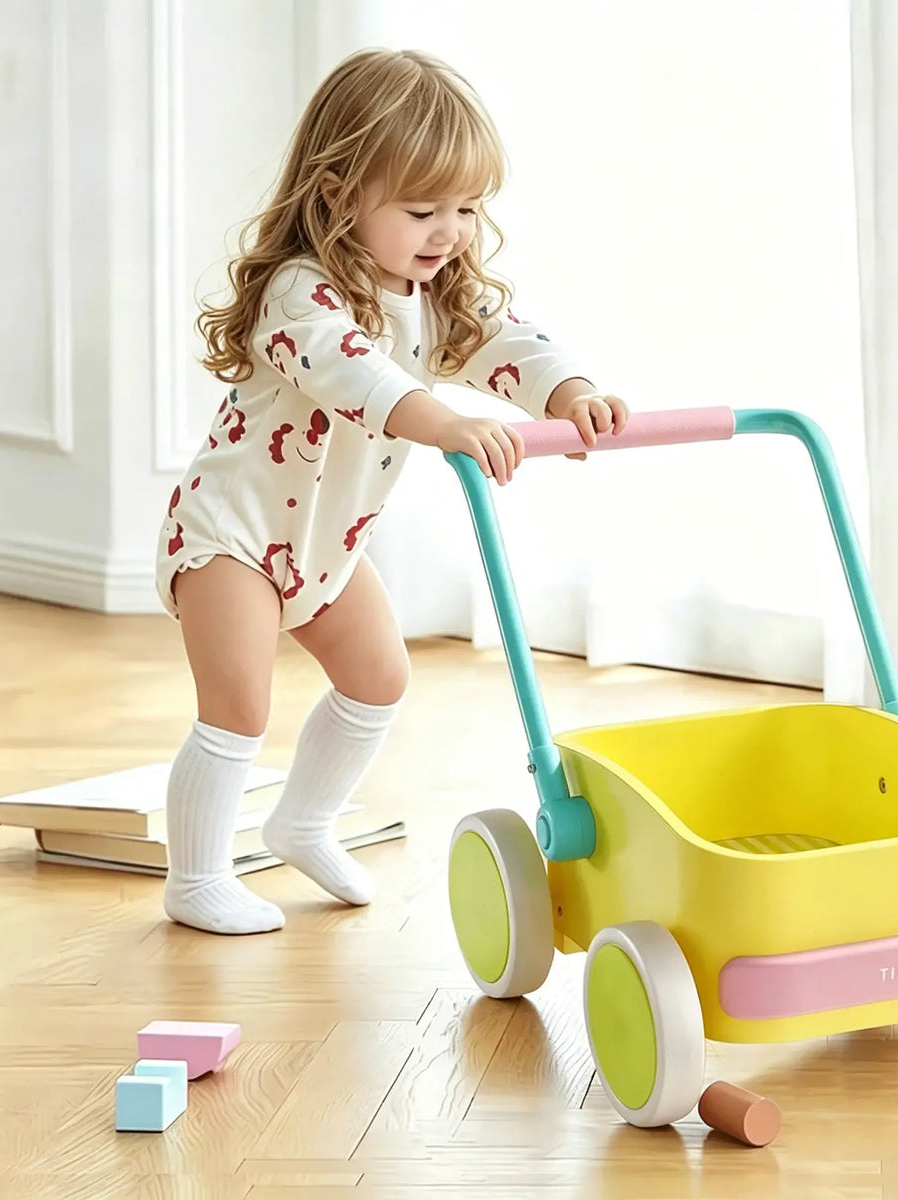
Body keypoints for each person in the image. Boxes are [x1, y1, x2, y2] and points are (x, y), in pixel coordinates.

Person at [154, 47, 629, 935]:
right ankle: (197, 876)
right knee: (239, 706)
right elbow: (352, 372)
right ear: (339, 194)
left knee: (377, 679)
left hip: (325, 547)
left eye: (465, 208)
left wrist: (568, 391)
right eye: (422, 210)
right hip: (232, 538)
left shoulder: (429, 290)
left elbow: (501, 338)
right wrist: (443, 422)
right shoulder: (299, 294)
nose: (448, 232)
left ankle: (304, 822)